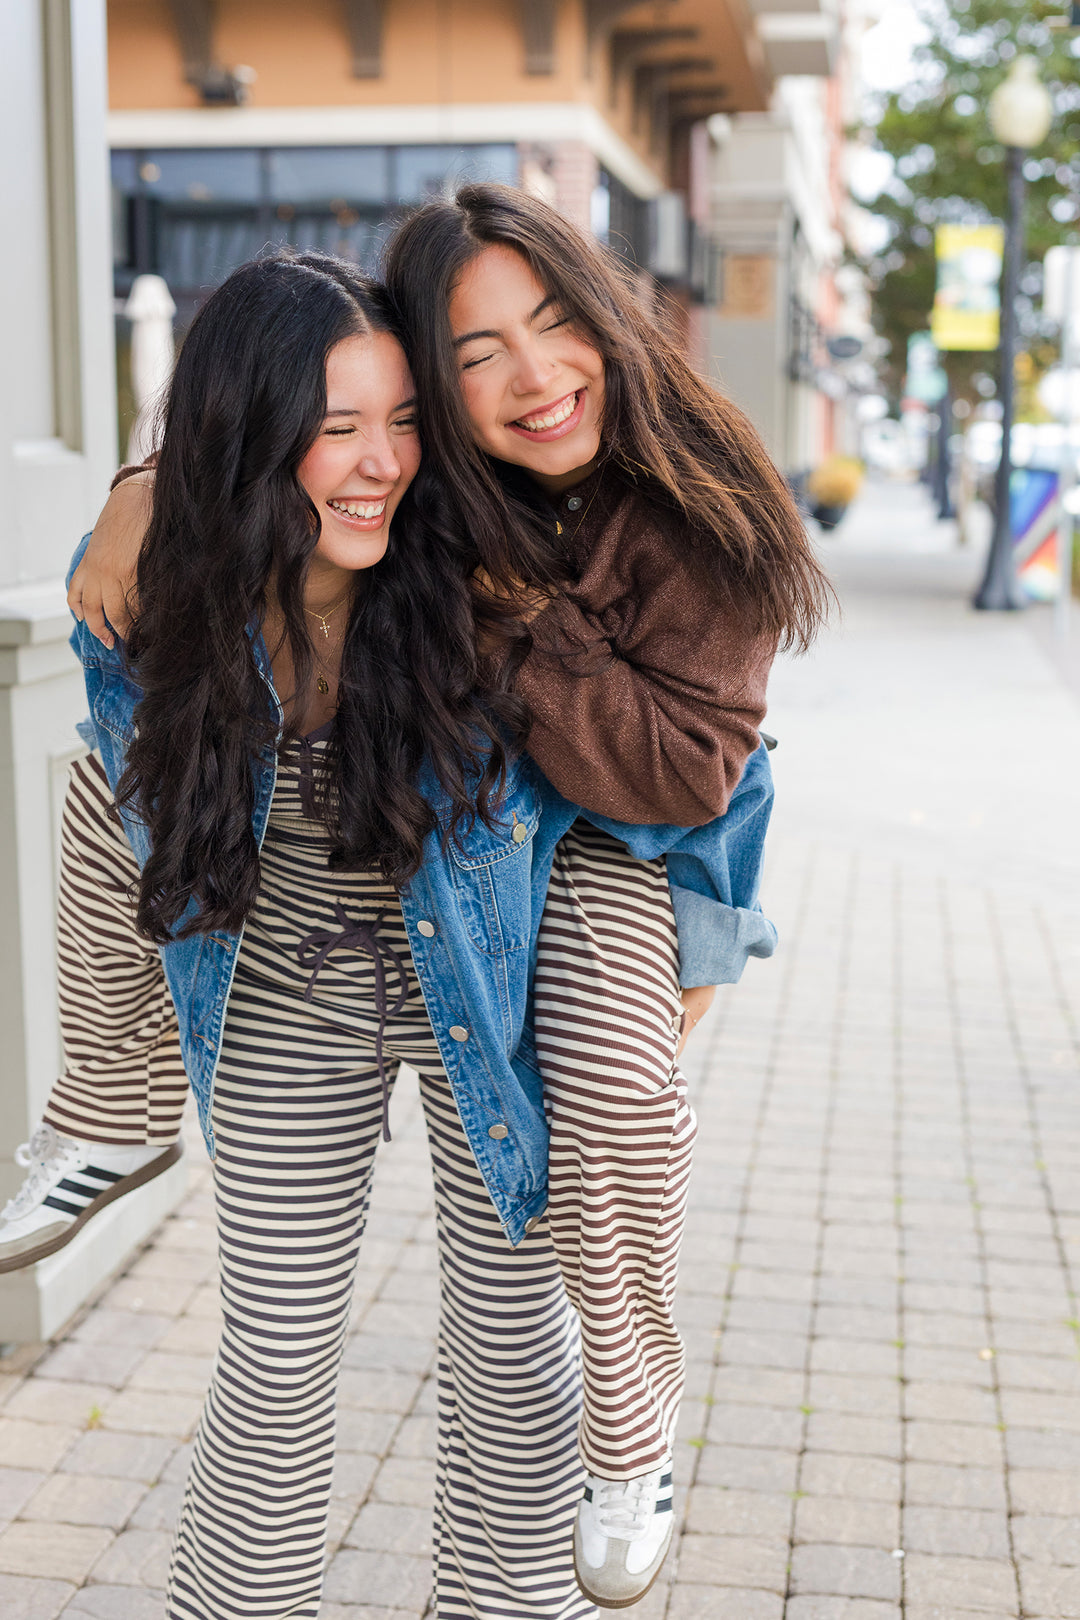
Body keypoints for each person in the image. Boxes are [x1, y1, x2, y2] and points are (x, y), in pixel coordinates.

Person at [25, 185, 827, 1610]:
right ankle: (104, 1114)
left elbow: (701, 774)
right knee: (273, 1362)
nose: (526, 380)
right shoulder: (325, 511)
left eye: (556, 325)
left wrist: (703, 926)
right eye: (469, 358)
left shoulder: (610, 512)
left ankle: (622, 1443)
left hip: (520, 929)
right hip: (301, 959)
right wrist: (137, 493)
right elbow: (278, 409)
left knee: (523, 1348)